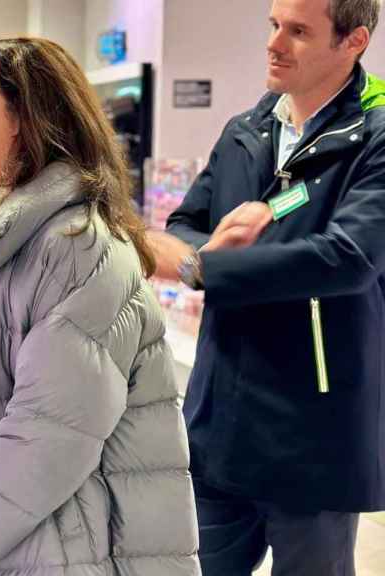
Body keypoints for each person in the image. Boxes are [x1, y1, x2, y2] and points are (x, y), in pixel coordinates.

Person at [0, 38, 201, 576]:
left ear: (26, 120)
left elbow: (53, 428)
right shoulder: (22, 241)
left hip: (68, 548)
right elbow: (17, 384)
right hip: (33, 539)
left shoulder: (79, 246)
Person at [146, 0, 385, 573]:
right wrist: (198, 254)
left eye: (298, 31)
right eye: (273, 26)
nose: (275, 44)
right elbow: (183, 223)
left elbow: (347, 258)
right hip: (219, 423)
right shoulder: (246, 129)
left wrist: (207, 270)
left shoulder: (374, 136)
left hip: (314, 434)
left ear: (354, 41)